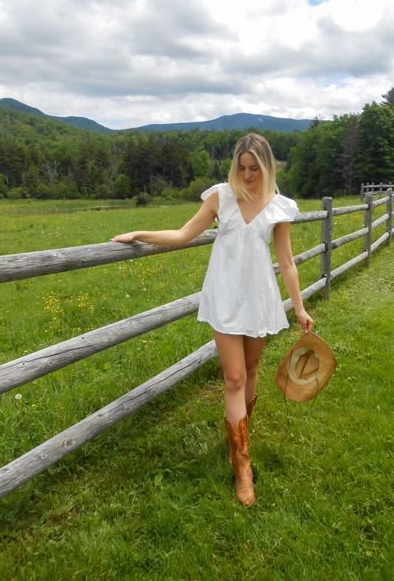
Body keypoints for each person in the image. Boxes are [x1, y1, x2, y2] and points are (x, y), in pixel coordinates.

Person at [112, 133, 313, 507]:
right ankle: (242, 466)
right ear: (234, 165)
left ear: (267, 167)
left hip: (259, 299)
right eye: (242, 167)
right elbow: (184, 233)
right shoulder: (221, 196)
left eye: (255, 168)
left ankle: (238, 438)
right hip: (224, 297)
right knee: (234, 377)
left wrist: (299, 307)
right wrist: (140, 233)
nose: (248, 175)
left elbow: (286, 261)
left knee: (252, 371)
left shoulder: (279, 206)